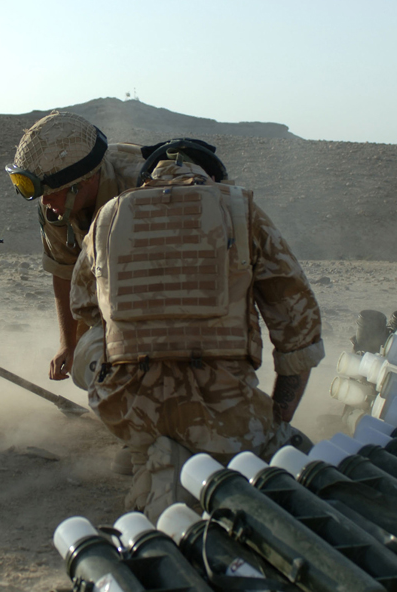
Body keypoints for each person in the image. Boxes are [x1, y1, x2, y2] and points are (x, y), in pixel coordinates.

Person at [69, 139, 325, 521]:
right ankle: (198, 458)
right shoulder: (240, 209)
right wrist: (276, 419)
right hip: (225, 410)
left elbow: (85, 305)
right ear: (215, 178)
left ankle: (151, 453)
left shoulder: (106, 218)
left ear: (145, 181)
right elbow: (298, 324)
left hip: (127, 409)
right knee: (299, 459)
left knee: (99, 340)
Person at [5, 111, 146, 382]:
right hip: (116, 284)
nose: (45, 202)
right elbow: (63, 272)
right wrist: (67, 344)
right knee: (87, 360)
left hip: (177, 286)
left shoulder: (141, 187)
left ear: (83, 182)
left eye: (50, 193)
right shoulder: (55, 205)